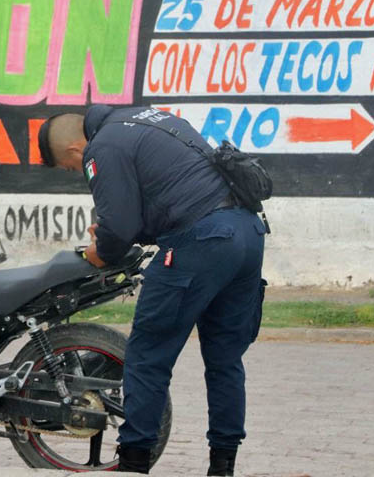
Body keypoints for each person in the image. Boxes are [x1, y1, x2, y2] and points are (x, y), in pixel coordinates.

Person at [38, 105, 267, 476]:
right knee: (225, 361)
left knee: (147, 359)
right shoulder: (151, 119)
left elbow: (119, 225)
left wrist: (102, 250)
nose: (75, 171)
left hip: (200, 241)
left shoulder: (103, 147)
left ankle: (134, 464)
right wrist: (122, 235)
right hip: (247, 233)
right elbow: (172, 197)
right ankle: (223, 466)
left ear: (73, 152)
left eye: (69, 169)